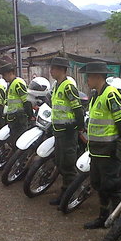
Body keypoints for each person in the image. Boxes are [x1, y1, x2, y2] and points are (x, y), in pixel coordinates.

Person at [80, 62, 121, 229]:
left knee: (113, 186)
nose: (87, 80)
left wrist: (119, 143)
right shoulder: (96, 95)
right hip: (96, 151)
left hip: (109, 151)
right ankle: (103, 217)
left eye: (89, 76)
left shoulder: (110, 94)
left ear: (97, 77)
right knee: (99, 185)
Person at [48, 57, 85, 206]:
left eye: (54, 69)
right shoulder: (57, 85)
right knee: (60, 162)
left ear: (62, 70)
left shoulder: (68, 86)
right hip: (59, 130)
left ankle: (71, 194)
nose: (51, 71)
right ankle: (65, 191)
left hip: (68, 132)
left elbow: (77, 109)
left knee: (68, 165)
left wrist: (77, 126)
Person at [0, 63, 35, 148]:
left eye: (4, 75)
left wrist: (31, 116)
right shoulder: (10, 84)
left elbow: (26, 101)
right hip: (13, 118)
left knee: (20, 140)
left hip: (20, 118)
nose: (3, 77)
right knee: (14, 140)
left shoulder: (18, 83)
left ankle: (23, 159)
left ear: (10, 73)